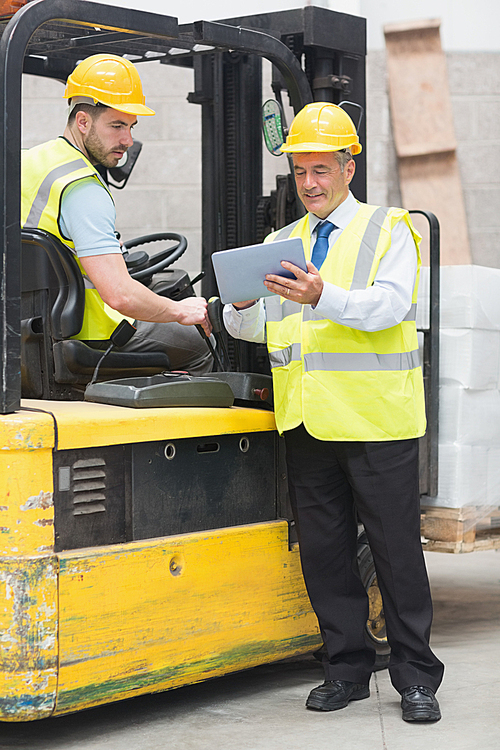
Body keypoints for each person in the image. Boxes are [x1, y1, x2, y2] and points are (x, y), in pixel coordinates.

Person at [224, 102, 444, 722]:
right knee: (323, 553)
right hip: (305, 422)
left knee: (397, 552)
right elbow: (258, 327)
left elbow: (392, 307)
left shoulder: (392, 229)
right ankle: (346, 668)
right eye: (301, 172)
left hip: (376, 422)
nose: (311, 183)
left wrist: (326, 295)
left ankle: (417, 678)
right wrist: (238, 306)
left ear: (350, 167)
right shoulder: (276, 244)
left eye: (322, 169)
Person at [21, 53, 212, 374]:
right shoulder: (83, 188)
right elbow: (120, 295)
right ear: (82, 121)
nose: (128, 140)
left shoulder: (29, 162)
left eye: (131, 126)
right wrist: (179, 310)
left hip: (29, 329)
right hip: (90, 334)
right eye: (117, 125)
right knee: (199, 342)